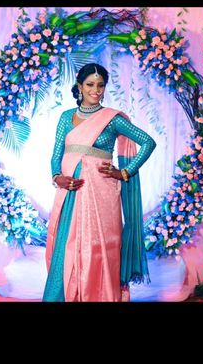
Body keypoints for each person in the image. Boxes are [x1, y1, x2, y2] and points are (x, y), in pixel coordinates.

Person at [43, 63, 156, 302]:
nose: (96, 90)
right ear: (79, 87)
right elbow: (56, 155)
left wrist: (125, 172)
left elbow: (148, 142)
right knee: (67, 247)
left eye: (101, 85)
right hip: (72, 193)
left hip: (102, 195)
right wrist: (58, 177)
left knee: (99, 248)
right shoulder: (66, 118)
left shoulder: (112, 119)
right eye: (90, 85)